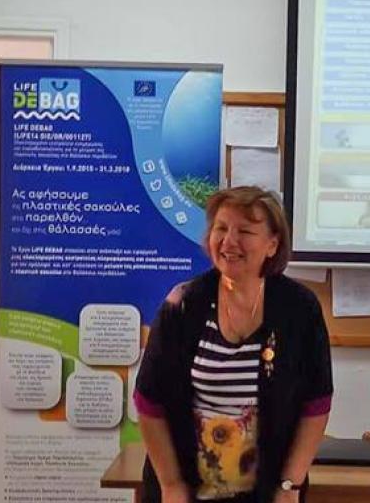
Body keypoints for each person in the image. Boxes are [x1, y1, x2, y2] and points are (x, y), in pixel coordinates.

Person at [134, 186, 333, 503]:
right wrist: (171, 484)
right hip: (186, 490)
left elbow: (317, 402)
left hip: (269, 491)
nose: (229, 241)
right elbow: (149, 400)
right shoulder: (183, 303)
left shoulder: (299, 309)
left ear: (272, 244)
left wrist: (290, 485)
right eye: (221, 228)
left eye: (245, 231)